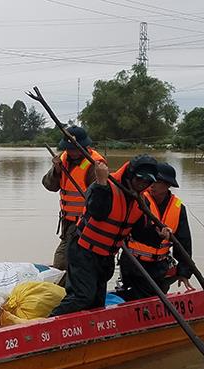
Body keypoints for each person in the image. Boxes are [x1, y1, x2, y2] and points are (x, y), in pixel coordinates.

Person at [50, 154, 171, 316]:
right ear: (130, 175)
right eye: (139, 179)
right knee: (82, 297)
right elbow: (97, 212)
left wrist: (160, 235)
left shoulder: (141, 201)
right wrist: (101, 183)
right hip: (83, 252)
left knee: (96, 304)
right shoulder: (102, 186)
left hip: (105, 258)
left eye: (147, 181)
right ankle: (48, 324)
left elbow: (139, 233)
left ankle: (90, 336)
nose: (142, 184)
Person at [119, 162, 194, 300]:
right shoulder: (139, 201)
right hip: (134, 264)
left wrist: (184, 272)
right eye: (150, 180)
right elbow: (135, 231)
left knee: (156, 298)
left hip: (159, 266)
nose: (151, 185)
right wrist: (156, 235)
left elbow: (184, 242)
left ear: (168, 185)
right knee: (141, 297)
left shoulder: (178, 208)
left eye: (157, 182)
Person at [42, 126, 106, 273]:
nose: (72, 152)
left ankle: (69, 289)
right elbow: (49, 185)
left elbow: (101, 200)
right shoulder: (63, 160)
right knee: (66, 261)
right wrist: (56, 171)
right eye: (69, 149)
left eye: (75, 149)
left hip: (84, 223)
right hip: (67, 222)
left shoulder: (94, 166)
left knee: (62, 261)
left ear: (85, 147)